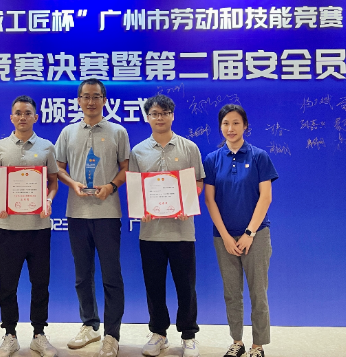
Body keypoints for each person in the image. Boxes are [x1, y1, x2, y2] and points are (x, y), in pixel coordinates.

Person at [55, 79, 129, 357]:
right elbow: (58, 168)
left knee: (112, 276)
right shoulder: (68, 132)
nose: (90, 101)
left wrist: (111, 186)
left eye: (96, 96)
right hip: (77, 213)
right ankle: (90, 325)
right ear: (78, 100)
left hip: (107, 214)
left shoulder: (118, 131)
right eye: (85, 96)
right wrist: (72, 183)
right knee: (82, 275)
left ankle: (112, 334)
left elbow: (126, 168)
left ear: (104, 100)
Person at [129, 95, 204, 357]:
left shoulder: (189, 147)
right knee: (154, 286)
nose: (159, 118)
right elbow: (136, 187)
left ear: (172, 115)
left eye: (164, 113)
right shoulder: (138, 151)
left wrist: (187, 204)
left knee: (186, 287)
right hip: (151, 233)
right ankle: (158, 333)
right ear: (147, 117)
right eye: (154, 113)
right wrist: (141, 210)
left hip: (182, 232)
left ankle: (189, 336)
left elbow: (198, 182)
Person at [0, 95, 59, 357]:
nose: (23, 117)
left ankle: (39, 334)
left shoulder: (47, 147)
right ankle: (10, 335)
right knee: (8, 285)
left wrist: (48, 200)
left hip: (39, 228)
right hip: (9, 227)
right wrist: (1, 200)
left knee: (40, 284)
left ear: (35, 117)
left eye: (28, 113)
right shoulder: (0, 148)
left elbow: (53, 182)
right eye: (18, 113)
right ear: (11, 117)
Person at [203, 104, 278, 357]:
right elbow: (210, 200)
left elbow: (265, 197)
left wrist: (249, 233)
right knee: (232, 293)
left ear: (245, 126)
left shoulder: (259, 157)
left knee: (258, 292)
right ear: (220, 127)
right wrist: (225, 236)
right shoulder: (212, 159)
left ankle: (258, 346)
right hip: (224, 237)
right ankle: (237, 341)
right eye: (225, 123)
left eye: (236, 123)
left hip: (256, 236)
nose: (230, 128)